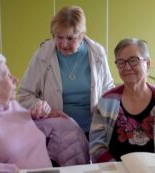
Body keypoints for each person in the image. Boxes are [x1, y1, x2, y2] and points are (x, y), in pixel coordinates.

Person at [0, 52, 89, 173]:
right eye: (7, 76)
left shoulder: (12, 105)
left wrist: (39, 112)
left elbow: (16, 125)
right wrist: (11, 170)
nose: (15, 79)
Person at [89, 38, 155, 163]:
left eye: (133, 60)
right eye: (121, 62)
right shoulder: (107, 101)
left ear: (148, 64)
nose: (127, 67)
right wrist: (115, 168)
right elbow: (96, 145)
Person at [18, 5, 114, 137]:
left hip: (93, 129)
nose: (63, 44)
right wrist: (41, 107)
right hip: (56, 131)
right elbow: (24, 94)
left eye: (70, 38)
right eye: (59, 37)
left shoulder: (97, 53)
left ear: (81, 36)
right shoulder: (43, 54)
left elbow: (108, 91)